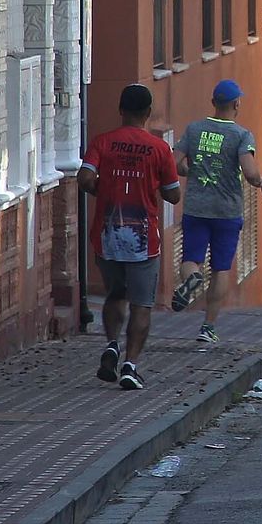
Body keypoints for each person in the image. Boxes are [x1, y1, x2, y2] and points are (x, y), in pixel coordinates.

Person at [80, 84, 181, 391]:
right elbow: (174, 195)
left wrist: (105, 191)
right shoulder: (160, 149)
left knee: (115, 294)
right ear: (148, 113)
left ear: (120, 110)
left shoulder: (103, 142)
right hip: (143, 238)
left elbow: (85, 178)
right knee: (141, 305)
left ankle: (112, 344)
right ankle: (130, 365)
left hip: (107, 234)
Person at [171, 79, 262, 343]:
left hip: (196, 207)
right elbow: (251, 172)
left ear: (213, 103)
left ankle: (192, 279)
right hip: (227, 211)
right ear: (236, 104)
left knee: (191, 258)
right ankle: (208, 327)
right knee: (221, 267)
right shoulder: (242, 135)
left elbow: (174, 163)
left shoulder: (194, 129)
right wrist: (257, 181)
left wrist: (190, 170)